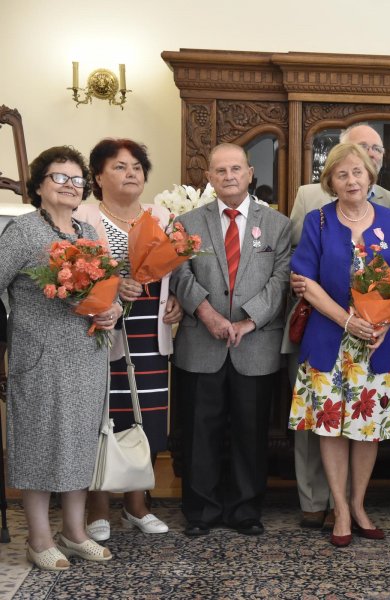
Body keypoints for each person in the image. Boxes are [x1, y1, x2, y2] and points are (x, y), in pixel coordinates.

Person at [288, 142, 390, 547]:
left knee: (368, 430)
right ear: (330, 182)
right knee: (331, 429)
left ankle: (359, 505)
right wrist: (348, 320)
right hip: (331, 341)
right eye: (341, 175)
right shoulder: (318, 221)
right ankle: (339, 509)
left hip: (380, 344)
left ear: (369, 176)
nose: (351, 181)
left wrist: (383, 323)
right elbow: (304, 283)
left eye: (357, 172)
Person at [0, 146, 122, 569]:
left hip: (87, 358)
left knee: (78, 445)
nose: (71, 187)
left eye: (77, 180)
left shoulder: (86, 234)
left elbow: (108, 291)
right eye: (60, 178)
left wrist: (112, 311)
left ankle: (75, 532)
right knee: (40, 443)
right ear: (38, 186)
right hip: (40, 359)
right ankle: (38, 538)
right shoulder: (22, 233)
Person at [170, 143, 290, 537]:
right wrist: (207, 314)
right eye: (220, 171)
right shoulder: (187, 222)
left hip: (254, 346)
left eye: (236, 169)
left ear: (250, 173)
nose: (229, 176)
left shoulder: (277, 224)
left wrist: (248, 322)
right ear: (209, 177)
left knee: (250, 433)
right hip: (201, 343)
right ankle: (201, 512)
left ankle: (244, 510)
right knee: (199, 433)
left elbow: (280, 281)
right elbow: (180, 275)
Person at [75, 138, 182, 541]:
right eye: (119, 166)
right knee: (103, 418)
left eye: (136, 165)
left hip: (149, 333)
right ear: (98, 176)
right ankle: (98, 507)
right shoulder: (82, 215)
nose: (131, 172)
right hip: (99, 333)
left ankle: (137, 506)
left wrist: (179, 304)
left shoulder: (162, 215)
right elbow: (77, 271)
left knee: (147, 419)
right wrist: (113, 284)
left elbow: (177, 273)